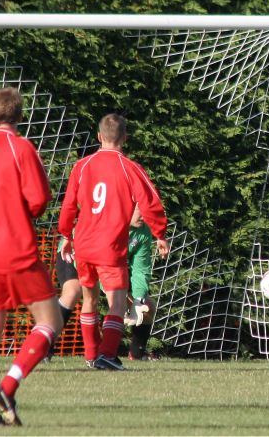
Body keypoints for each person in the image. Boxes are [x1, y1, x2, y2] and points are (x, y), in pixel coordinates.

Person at [0, 87, 63, 426]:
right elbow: (38, 200)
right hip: (15, 247)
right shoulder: (21, 147)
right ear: (20, 117)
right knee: (50, 321)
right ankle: (7, 387)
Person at [58, 113, 169, 370]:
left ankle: (90, 355)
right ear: (125, 139)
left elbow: (68, 205)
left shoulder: (82, 166)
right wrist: (160, 234)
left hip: (83, 244)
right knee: (116, 303)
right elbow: (151, 203)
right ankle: (107, 354)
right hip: (109, 247)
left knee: (89, 299)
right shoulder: (130, 167)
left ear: (99, 137)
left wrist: (66, 236)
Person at [49, 203, 161, 361]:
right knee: (73, 292)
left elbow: (140, 269)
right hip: (75, 254)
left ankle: (137, 353)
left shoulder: (142, 232)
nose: (143, 215)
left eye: (146, 210)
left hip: (110, 265)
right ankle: (45, 346)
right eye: (139, 210)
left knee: (148, 306)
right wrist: (112, 290)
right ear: (125, 207)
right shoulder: (108, 224)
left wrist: (138, 299)